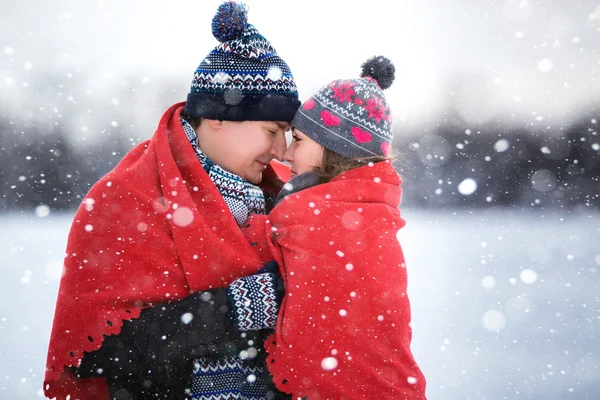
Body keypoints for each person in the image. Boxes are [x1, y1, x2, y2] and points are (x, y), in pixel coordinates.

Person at [44, 2, 300, 399]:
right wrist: (236, 306)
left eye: (288, 133)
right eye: (272, 130)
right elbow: (98, 352)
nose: (282, 150)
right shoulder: (124, 200)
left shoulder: (282, 199)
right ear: (219, 115)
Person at [242, 56, 428, 399]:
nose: (286, 154)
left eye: (298, 139)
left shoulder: (324, 223)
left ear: (332, 148)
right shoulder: (362, 213)